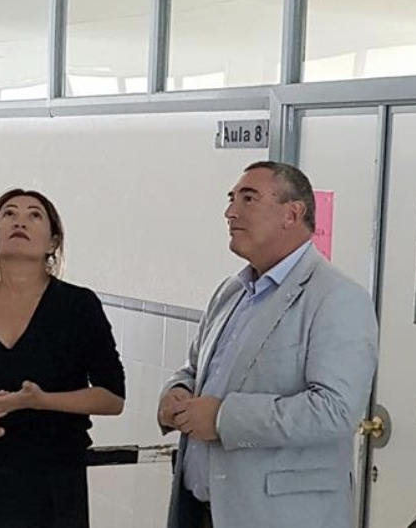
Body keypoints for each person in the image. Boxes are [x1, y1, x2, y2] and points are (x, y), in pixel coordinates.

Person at [158, 160, 378, 528]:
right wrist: (176, 391)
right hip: (199, 510)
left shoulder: (336, 298)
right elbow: (195, 370)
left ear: (292, 213)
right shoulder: (232, 292)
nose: (230, 212)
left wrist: (223, 418)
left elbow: (335, 411)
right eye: (231, 199)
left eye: (248, 198)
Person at [0, 188, 125, 528]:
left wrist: (40, 400)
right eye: (9, 214)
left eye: (34, 215)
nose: (21, 221)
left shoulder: (78, 306)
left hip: (55, 479)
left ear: (52, 242)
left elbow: (112, 397)